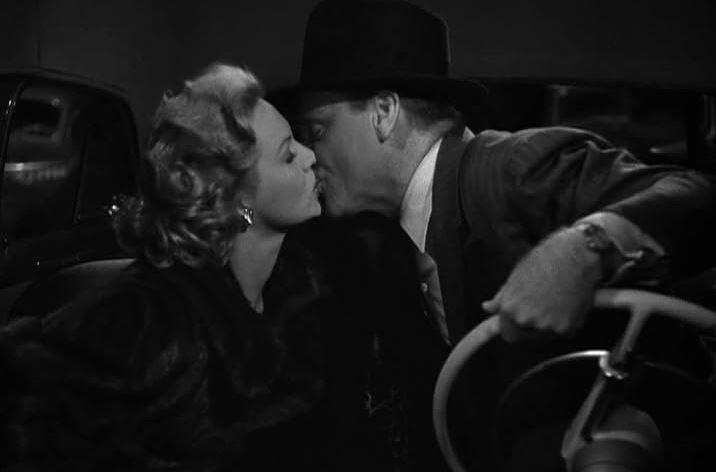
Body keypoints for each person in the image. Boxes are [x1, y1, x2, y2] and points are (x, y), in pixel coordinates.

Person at [273, 0, 716, 469]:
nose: (310, 155)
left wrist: (585, 247)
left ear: (384, 111)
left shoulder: (509, 169)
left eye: (318, 131)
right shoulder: (388, 249)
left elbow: (698, 194)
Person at [0, 63, 389, 471]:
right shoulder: (146, 320)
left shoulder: (308, 290)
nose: (310, 157)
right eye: (288, 154)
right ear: (233, 198)